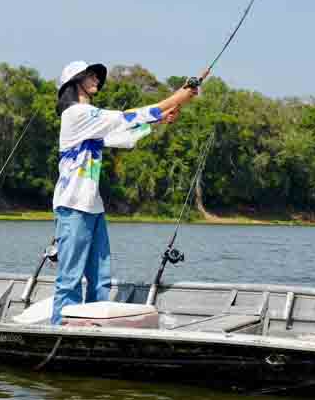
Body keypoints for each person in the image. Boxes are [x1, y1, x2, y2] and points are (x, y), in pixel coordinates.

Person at [51, 61, 203, 324]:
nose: (97, 80)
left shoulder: (90, 122)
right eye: (90, 76)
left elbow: (122, 136)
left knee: (100, 277)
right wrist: (176, 97)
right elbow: (123, 117)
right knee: (70, 277)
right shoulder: (75, 115)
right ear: (74, 82)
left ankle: (95, 324)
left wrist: (159, 119)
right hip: (72, 206)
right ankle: (60, 325)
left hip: (92, 207)